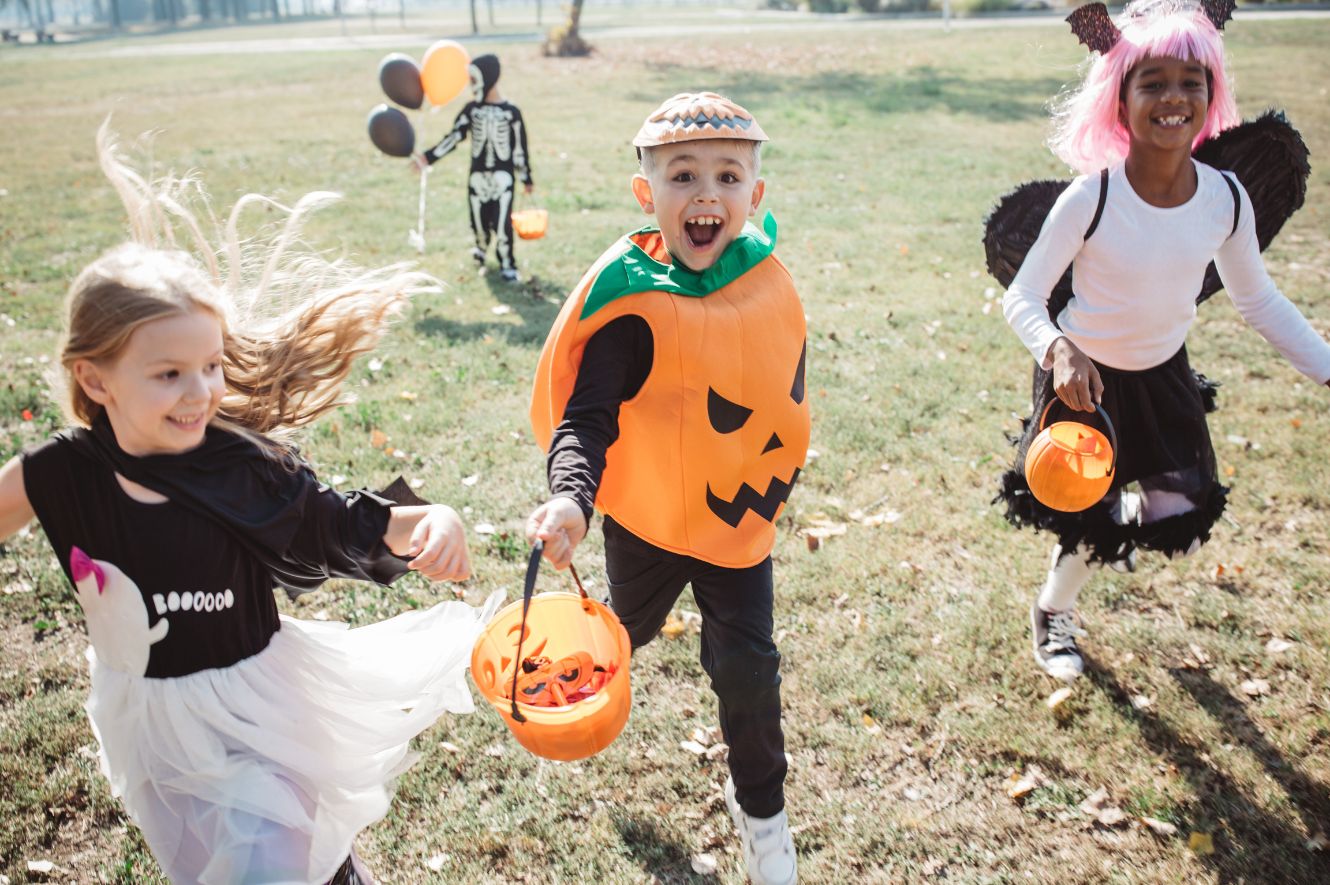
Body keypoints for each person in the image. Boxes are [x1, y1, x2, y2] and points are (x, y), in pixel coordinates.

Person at [0, 122, 498, 885]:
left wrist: (434, 520)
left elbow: (333, 523)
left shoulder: (241, 466)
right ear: (96, 380)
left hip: (260, 706)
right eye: (168, 373)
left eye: (208, 366)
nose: (200, 391)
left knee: (267, 865)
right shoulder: (58, 474)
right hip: (150, 722)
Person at [994, 0, 1330, 683]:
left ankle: (1108, 527)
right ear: (1120, 100)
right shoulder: (1092, 198)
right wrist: (1059, 348)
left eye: (1190, 80)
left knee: (1174, 498)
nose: (1173, 97)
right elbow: (1022, 297)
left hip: (1164, 374)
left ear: (1212, 94)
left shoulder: (1226, 198)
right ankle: (1054, 610)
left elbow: (1258, 299)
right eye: (1152, 82)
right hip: (1083, 384)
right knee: (1088, 518)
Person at [525, 92, 806, 885]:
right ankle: (588, 651)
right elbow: (587, 418)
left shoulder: (766, 283)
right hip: (646, 524)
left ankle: (765, 820)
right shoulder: (632, 305)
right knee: (623, 633)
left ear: (756, 194)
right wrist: (573, 499)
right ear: (648, 195)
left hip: (734, 527)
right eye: (683, 176)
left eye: (728, 175)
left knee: (748, 666)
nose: (707, 194)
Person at [412, 53, 533, 283]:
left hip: (503, 178)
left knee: (502, 224)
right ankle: (480, 247)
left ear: (488, 78)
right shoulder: (471, 110)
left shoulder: (511, 113)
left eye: (474, 80)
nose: (471, 86)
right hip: (477, 177)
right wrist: (428, 158)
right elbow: (454, 137)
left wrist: (526, 178)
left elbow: (520, 148)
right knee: (478, 221)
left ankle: (508, 263)